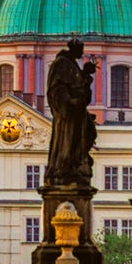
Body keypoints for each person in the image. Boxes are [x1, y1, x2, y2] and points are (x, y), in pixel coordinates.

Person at [45, 39, 98, 187]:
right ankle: (64, 167)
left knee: (89, 133)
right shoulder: (61, 63)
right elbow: (56, 89)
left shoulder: (72, 64)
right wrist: (69, 101)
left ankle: (78, 162)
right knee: (68, 140)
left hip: (78, 112)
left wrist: (86, 75)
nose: (83, 53)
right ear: (74, 49)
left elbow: (81, 89)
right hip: (67, 113)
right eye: (81, 50)